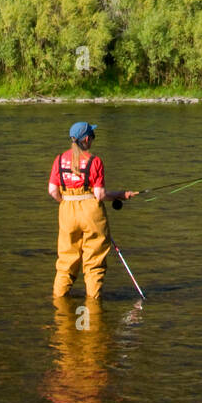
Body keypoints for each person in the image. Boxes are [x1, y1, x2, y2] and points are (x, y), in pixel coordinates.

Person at [48, 121, 139, 300]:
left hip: (67, 210)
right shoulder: (95, 161)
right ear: (87, 139)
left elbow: (52, 191)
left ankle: (58, 303)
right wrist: (122, 194)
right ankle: (93, 305)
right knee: (94, 262)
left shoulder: (59, 159)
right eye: (93, 137)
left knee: (66, 260)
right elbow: (100, 194)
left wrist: (66, 202)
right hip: (91, 212)